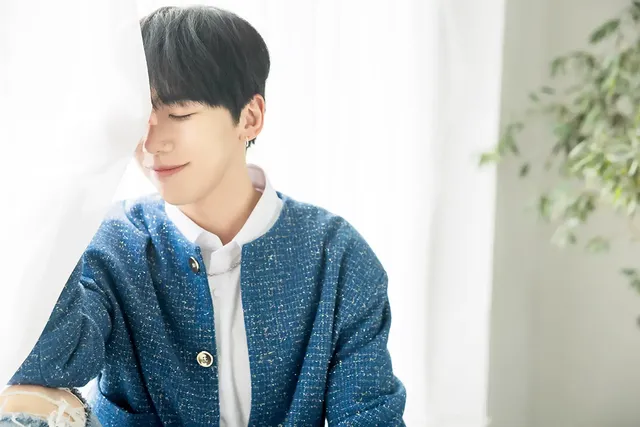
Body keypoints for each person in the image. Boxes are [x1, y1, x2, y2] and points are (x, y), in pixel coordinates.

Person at [0, 5, 406, 426]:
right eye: (140, 118)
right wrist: (69, 190)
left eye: (179, 114)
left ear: (249, 118)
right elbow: (46, 366)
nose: (152, 144)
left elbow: (369, 416)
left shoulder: (337, 258)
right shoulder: (114, 244)